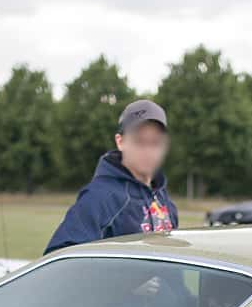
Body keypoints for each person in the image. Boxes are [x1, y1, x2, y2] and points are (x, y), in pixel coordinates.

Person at [44, 99, 177, 253]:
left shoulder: (164, 199)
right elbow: (60, 256)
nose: (148, 150)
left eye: (155, 143)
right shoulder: (100, 197)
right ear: (120, 142)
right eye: (139, 141)